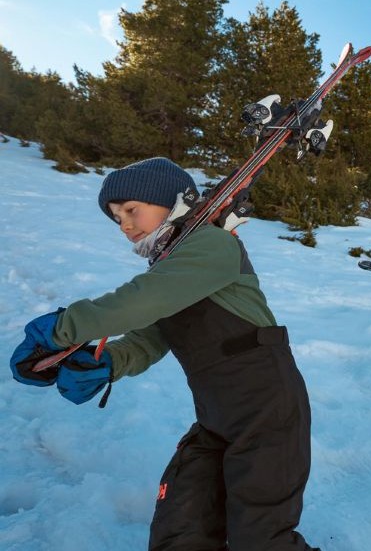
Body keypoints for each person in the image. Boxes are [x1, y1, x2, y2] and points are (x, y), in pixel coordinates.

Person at [10, 157, 318, 551]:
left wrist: (62, 329)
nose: (124, 224)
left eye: (131, 209)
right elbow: (151, 336)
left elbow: (142, 301)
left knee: (260, 539)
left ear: (171, 202)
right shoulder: (171, 267)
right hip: (216, 419)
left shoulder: (213, 246)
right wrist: (107, 362)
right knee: (181, 528)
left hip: (267, 412)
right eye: (116, 217)